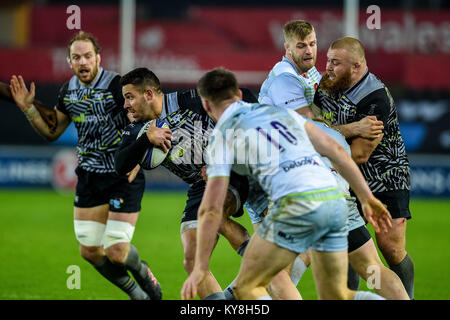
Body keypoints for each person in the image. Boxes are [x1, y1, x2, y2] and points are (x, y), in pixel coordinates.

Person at [181, 67, 392, 300]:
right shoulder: (279, 113)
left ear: (207, 105)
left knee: (248, 287)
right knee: (338, 295)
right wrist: (366, 197)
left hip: (295, 203)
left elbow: (211, 209)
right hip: (333, 201)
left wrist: (200, 266)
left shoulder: (221, 136)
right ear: (239, 95)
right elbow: (335, 151)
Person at [8, 31, 161, 300]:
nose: (83, 62)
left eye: (88, 56)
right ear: (69, 61)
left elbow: (145, 117)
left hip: (121, 175)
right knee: (90, 251)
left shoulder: (117, 85)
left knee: (116, 251)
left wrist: (138, 156)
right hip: (89, 177)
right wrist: (29, 110)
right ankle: (136, 292)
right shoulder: (68, 91)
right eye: (76, 57)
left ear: (98, 58)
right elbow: (52, 131)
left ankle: (142, 273)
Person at [114, 67, 254, 300]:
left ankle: (264, 265)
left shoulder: (186, 101)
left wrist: (221, 156)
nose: (126, 105)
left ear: (148, 94)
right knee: (191, 259)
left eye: (130, 97)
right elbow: (120, 164)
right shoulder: (137, 129)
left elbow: (245, 96)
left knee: (214, 214)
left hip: (230, 171)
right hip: (200, 187)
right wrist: (147, 139)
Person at [313, 37, 414, 299]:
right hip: (344, 175)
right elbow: (311, 128)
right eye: (328, 61)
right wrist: (346, 129)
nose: (328, 68)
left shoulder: (375, 97)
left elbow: (360, 152)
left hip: (385, 176)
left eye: (336, 63)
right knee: (351, 245)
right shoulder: (326, 87)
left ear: (356, 66)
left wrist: (319, 147)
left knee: (390, 248)